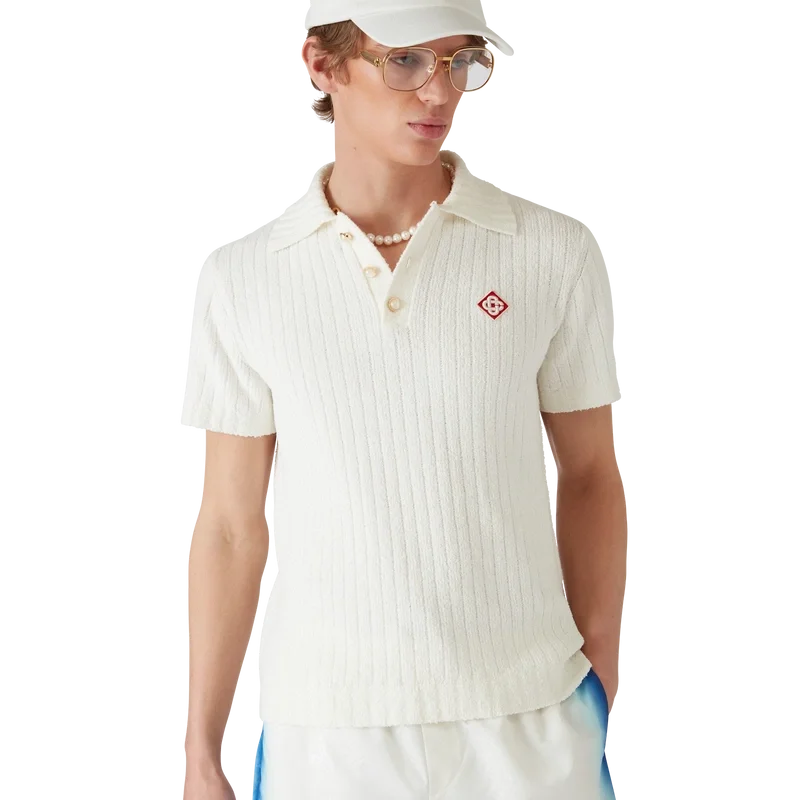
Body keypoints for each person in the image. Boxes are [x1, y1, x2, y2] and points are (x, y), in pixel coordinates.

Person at [181, 1, 627, 798]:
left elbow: (592, 473)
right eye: (406, 60)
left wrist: (600, 664)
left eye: (461, 61)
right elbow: (229, 525)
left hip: (529, 717)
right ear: (322, 64)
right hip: (327, 732)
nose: (439, 92)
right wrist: (201, 751)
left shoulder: (550, 249)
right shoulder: (243, 277)